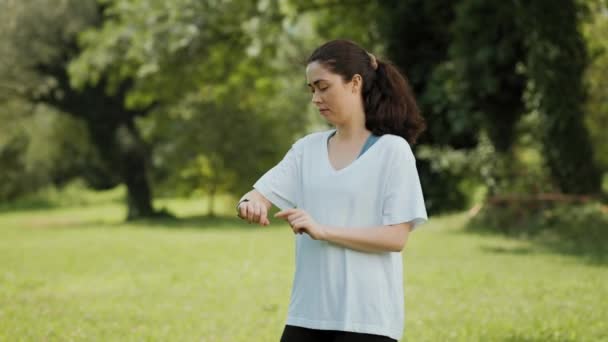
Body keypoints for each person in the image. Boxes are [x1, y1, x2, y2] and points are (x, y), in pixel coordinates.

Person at [236, 39, 428, 342]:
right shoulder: (306, 149)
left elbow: (396, 237)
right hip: (307, 315)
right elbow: (259, 193)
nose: (316, 98)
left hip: (367, 320)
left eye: (323, 87)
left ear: (355, 83)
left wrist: (323, 230)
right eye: (311, 89)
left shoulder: (392, 151)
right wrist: (250, 202)